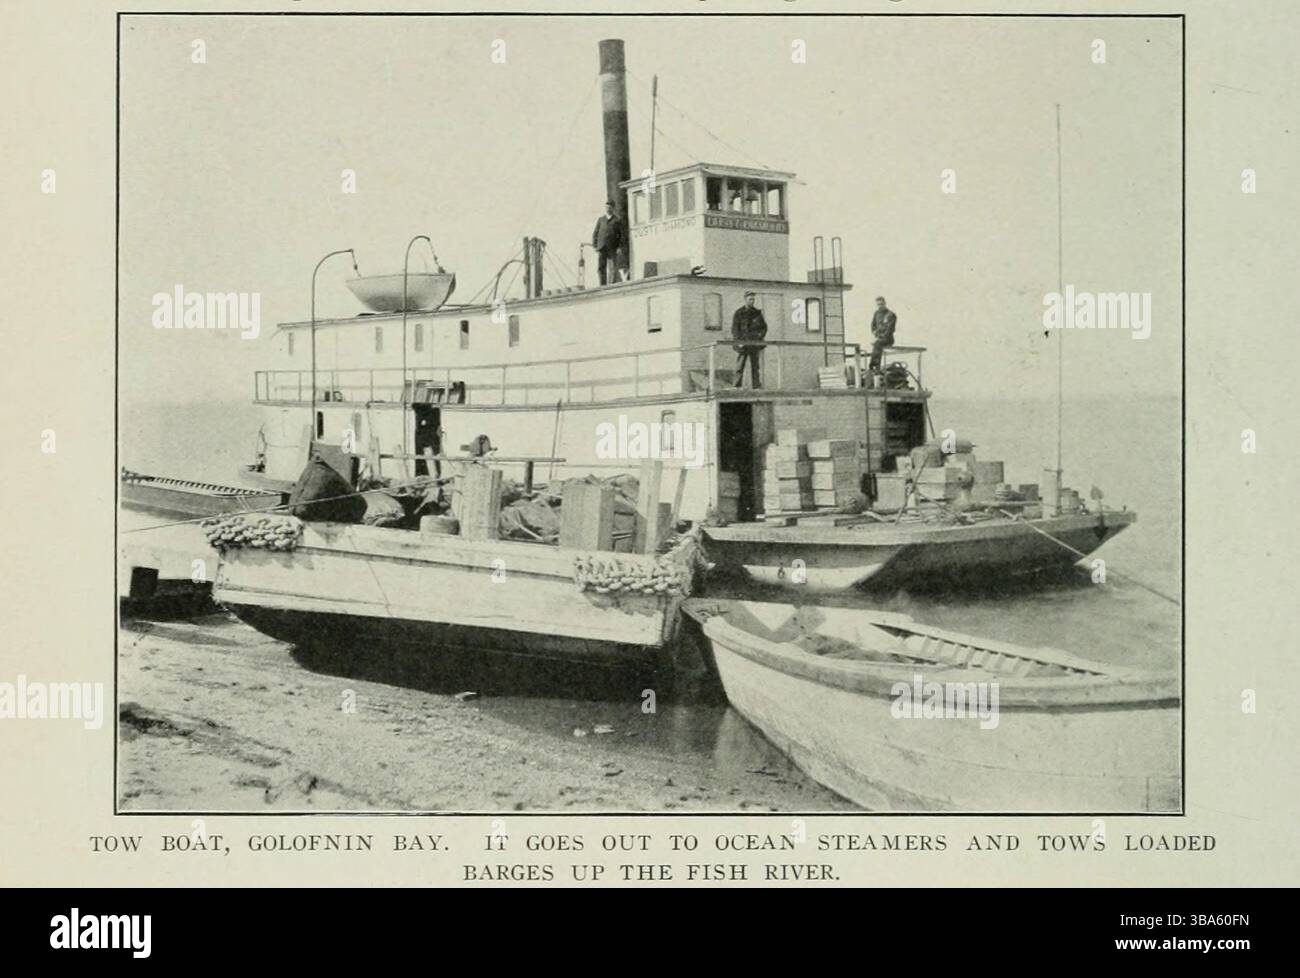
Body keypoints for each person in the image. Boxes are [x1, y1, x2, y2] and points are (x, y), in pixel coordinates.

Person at [731, 292, 768, 389]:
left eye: (753, 299)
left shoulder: (757, 313)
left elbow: (763, 328)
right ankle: (737, 386)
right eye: (750, 299)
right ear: (745, 300)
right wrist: (738, 341)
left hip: (754, 344)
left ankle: (756, 386)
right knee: (740, 365)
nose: (752, 301)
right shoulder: (739, 313)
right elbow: (735, 328)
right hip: (743, 344)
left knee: (755, 366)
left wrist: (758, 337)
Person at [591, 201, 624, 285]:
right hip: (602, 246)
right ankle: (602, 284)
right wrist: (595, 245)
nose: (608, 209)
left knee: (613, 266)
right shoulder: (601, 219)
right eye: (606, 207)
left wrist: (619, 247)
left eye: (609, 207)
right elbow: (596, 232)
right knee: (601, 267)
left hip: (612, 247)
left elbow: (621, 235)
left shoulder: (617, 220)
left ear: (613, 208)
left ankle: (612, 283)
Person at [869, 296, 897, 375]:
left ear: (885, 304)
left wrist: (881, 336)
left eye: (881, 304)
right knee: (877, 344)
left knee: (878, 344)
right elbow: (873, 325)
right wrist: (875, 333)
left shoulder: (891, 315)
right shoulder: (876, 313)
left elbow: (890, 329)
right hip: (878, 337)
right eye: (878, 305)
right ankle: (875, 367)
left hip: (888, 338)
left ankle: (874, 366)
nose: (880, 306)